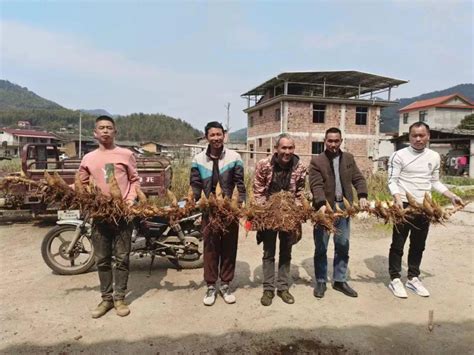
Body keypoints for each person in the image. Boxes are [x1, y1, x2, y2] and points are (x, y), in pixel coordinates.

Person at [387, 122, 463, 298]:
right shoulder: (398, 155)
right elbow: (392, 180)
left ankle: (413, 277)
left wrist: (451, 195)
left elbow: (434, 181)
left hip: (425, 207)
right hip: (403, 205)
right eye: (414, 135)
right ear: (409, 136)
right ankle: (395, 278)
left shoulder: (434, 156)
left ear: (428, 136)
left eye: (422, 135)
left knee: (418, 245)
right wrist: (397, 197)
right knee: (398, 243)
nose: (418, 139)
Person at [78, 115, 139, 318]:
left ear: (115, 132)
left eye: (109, 127)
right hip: (100, 215)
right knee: (102, 258)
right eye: (101, 128)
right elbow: (82, 183)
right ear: (95, 133)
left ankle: (120, 297)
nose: (105, 131)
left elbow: (134, 181)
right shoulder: (88, 158)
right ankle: (106, 299)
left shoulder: (126, 154)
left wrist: (129, 201)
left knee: (122, 258)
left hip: (122, 214)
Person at [190, 121, 246, 306]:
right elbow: (196, 184)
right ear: (207, 137)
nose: (216, 138)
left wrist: (239, 203)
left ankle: (226, 284)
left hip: (229, 210)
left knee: (229, 248)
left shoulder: (234, 157)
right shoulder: (198, 159)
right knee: (211, 248)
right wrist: (193, 200)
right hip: (209, 210)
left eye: (219, 134)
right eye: (212, 135)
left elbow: (240, 183)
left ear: (224, 135)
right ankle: (211, 285)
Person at [309, 127, 368, 299]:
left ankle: (340, 280)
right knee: (321, 246)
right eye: (330, 141)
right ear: (325, 141)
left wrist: (362, 195)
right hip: (324, 210)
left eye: (336, 141)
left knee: (342, 244)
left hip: (344, 208)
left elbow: (358, 178)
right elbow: (316, 184)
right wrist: (320, 204)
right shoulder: (317, 161)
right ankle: (320, 280)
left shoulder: (348, 158)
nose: (333, 144)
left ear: (341, 141)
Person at [253, 134, 307, 306]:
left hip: (289, 215)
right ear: (276, 149)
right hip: (269, 213)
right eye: (283, 148)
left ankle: (283, 288)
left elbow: (300, 192)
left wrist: (296, 211)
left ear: (294, 149)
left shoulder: (300, 167)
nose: (287, 151)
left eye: (290, 148)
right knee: (268, 253)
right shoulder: (264, 165)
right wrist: (267, 213)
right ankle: (268, 289)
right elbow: (258, 192)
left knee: (286, 252)